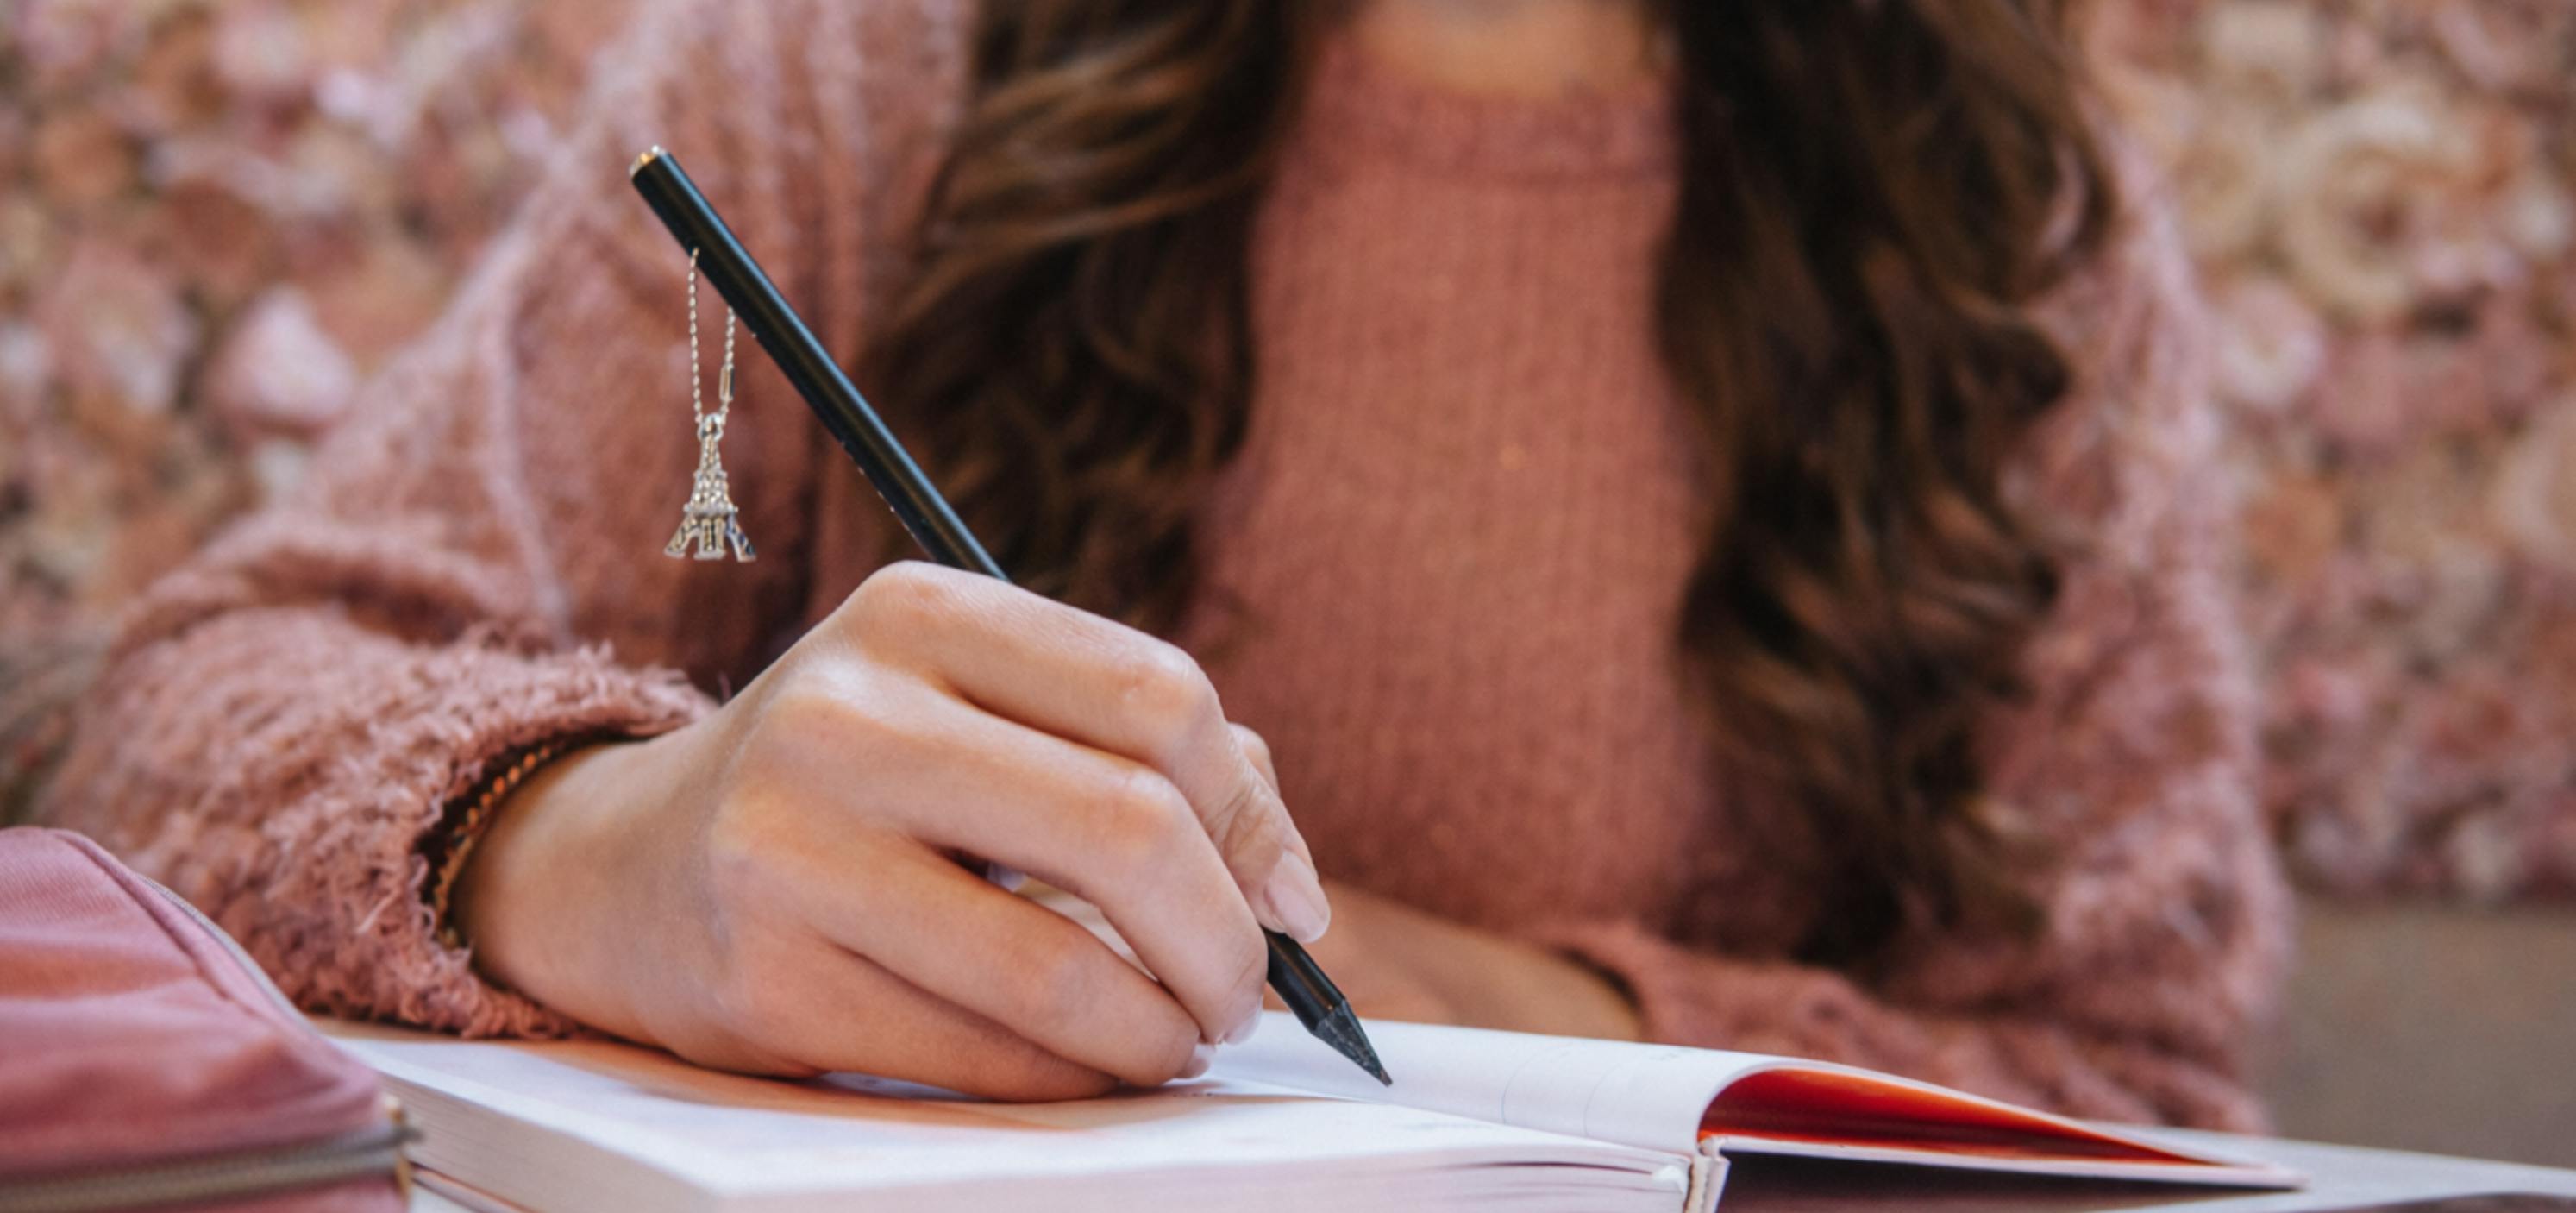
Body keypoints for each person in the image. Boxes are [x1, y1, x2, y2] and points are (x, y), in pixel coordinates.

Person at [41, 0, 2289, 1128]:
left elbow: (2142, 1092)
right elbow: (168, 726)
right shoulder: (856, 65)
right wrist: (597, 843)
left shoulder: (2007, 238)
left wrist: (1419, 982)